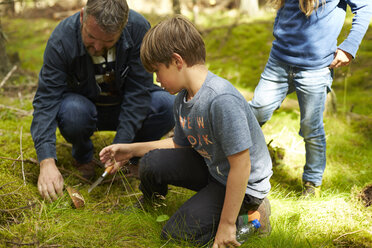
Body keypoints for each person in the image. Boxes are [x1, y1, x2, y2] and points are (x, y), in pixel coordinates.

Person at [99, 16, 273, 247]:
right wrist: (130, 150)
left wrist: (227, 224)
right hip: (214, 169)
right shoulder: (182, 97)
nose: (157, 80)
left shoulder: (221, 99)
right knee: (151, 161)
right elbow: (180, 144)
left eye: (157, 71)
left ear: (176, 60)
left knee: (177, 233)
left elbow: (242, 165)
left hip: (244, 184)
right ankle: (152, 203)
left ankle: (252, 217)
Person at [31, 0, 175, 202]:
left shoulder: (138, 29)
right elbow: (46, 100)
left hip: (125, 105)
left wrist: (121, 147)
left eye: (107, 42)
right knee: (72, 111)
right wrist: (46, 161)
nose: (97, 47)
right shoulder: (62, 38)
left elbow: (138, 93)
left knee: (167, 105)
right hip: (84, 109)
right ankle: (83, 157)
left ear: (123, 28)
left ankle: (132, 158)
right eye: (90, 36)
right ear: (82, 17)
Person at [249, 0, 372, 196]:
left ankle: (312, 184)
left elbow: (365, 7)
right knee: (256, 111)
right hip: (279, 60)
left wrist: (349, 47)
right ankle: (231, 161)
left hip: (316, 68)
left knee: (311, 127)